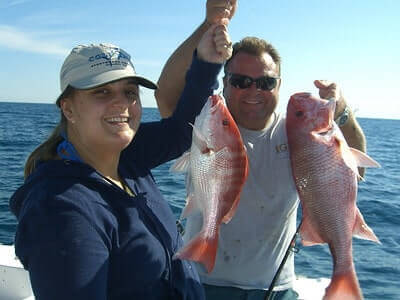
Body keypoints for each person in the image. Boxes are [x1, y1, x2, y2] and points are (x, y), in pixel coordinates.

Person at [154, 1, 367, 299]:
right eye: (241, 81)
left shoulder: (299, 132)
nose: (254, 91)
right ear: (225, 84)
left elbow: (355, 167)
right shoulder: (205, 124)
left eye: (266, 82)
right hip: (201, 282)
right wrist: (208, 25)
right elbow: (165, 92)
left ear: (279, 85)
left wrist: (340, 110)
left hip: (275, 289)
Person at [9, 21, 233, 300]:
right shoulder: (62, 212)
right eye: (101, 91)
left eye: (129, 92)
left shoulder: (126, 157)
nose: (122, 104)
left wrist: (207, 63)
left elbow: (180, 132)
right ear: (68, 108)